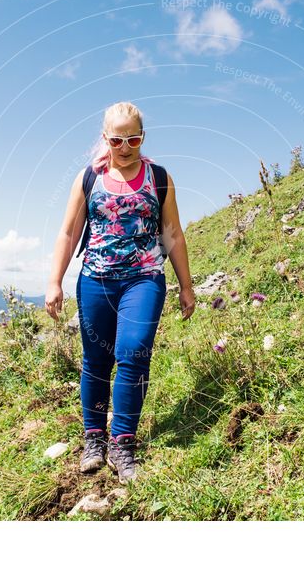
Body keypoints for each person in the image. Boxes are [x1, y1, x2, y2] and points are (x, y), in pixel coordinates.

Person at [45, 101, 195, 484]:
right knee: (96, 360)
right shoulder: (88, 178)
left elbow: (172, 233)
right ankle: (93, 438)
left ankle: (122, 444)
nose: (125, 146)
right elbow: (68, 232)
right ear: (105, 138)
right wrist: (54, 281)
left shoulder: (159, 178)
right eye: (116, 139)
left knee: (133, 352)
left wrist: (186, 286)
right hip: (95, 280)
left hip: (143, 279)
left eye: (133, 138)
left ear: (143, 137)